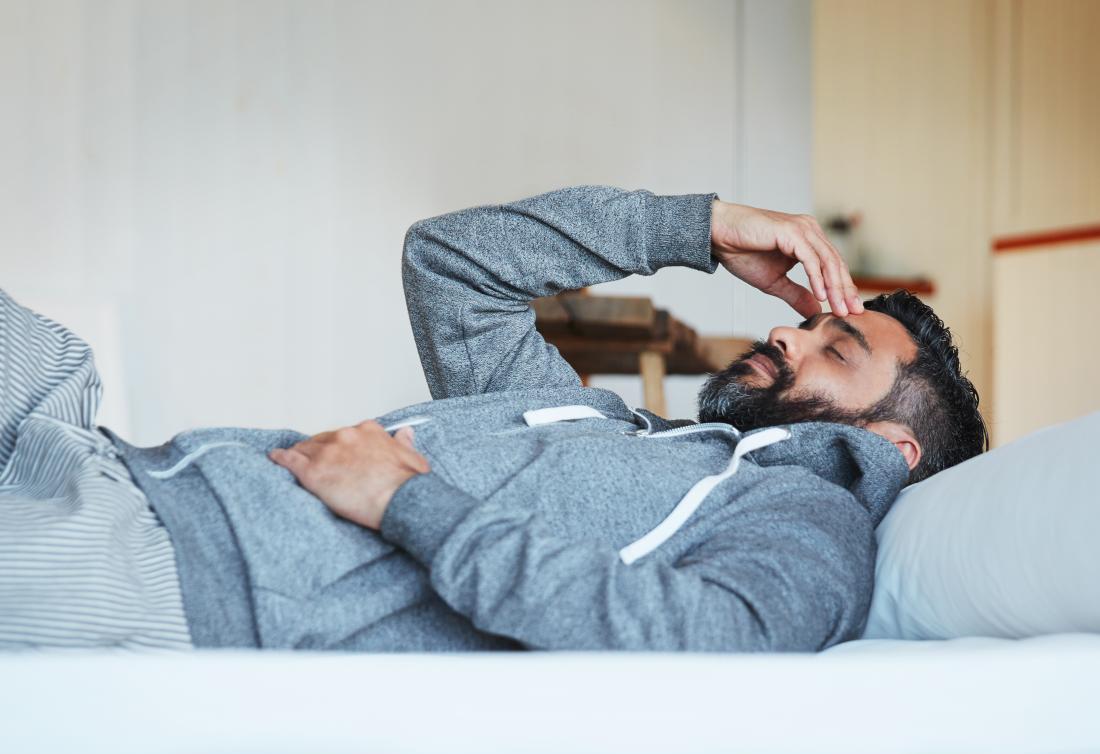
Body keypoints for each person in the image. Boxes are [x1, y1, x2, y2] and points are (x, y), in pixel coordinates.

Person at [0, 186, 987, 653]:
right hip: (112, 463)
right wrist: (700, 229)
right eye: (808, 322)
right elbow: (453, 265)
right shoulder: (610, 426)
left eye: (834, 350)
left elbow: (709, 641)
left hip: (164, 572)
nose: (789, 336)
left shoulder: (807, 523)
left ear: (887, 445)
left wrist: (405, 500)